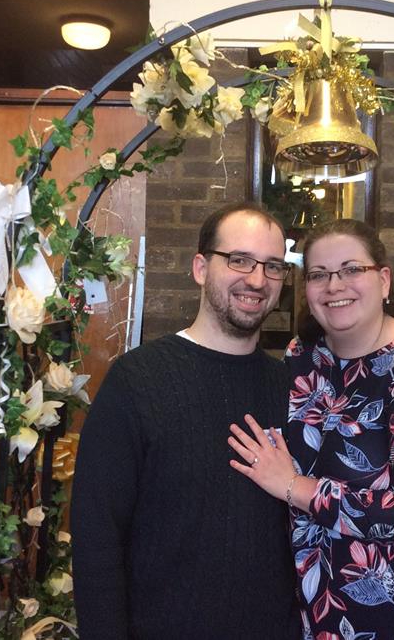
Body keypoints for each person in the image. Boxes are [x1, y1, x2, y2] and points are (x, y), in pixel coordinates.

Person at [229, 218, 394, 640]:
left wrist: (294, 487)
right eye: (319, 274)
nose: (335, 285)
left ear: (384, 280)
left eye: (352, 269)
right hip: (323, 609)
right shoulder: (302, 358)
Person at [71, 202, 301, 639]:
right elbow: (97, 535)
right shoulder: (137, 381)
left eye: (273, 266)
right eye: (239, 260)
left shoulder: (291, 388)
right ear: (200, 268)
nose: (257, 280)